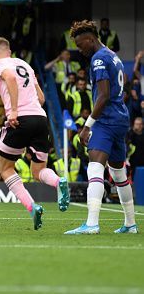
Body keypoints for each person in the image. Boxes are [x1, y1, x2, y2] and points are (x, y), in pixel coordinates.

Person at [0, 37, 69, 231]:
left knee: (5, 168)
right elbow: (40, 98)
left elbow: (9, 77)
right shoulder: (25, 64)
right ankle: (59, 181)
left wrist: (14, 110)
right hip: (40, 119)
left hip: (20, 119)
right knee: (38, 171)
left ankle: (32, 207)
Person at [65, 20, 137, 235]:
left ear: (89, 39)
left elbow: (103, 95)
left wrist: (87, 126)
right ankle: (130, 224)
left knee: (95, 168)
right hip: (120, 118)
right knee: (118, 174)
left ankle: (92, 224)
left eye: (80, 45)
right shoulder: (113, 55)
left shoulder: (98, 59)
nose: (80, 50)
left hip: (105, 121)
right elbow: (124, 84)